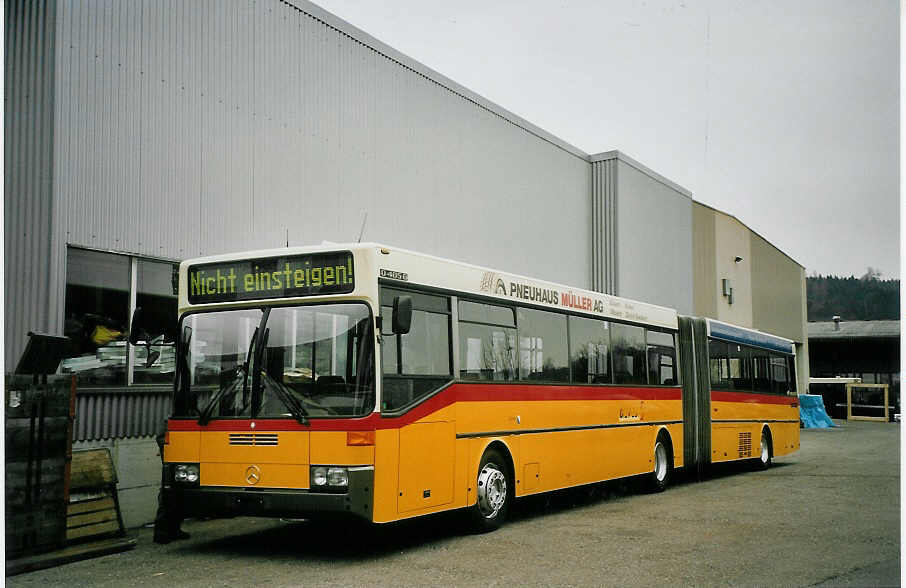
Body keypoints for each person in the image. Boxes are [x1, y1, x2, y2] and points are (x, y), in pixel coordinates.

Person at [153, 419, 189, 544]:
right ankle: (161, 532)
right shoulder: (169, 420)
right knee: (166, 494)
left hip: (182, 459)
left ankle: (175, 530)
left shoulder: (187, 417)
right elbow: (161, 439)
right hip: (172, 460)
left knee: (179, 495)